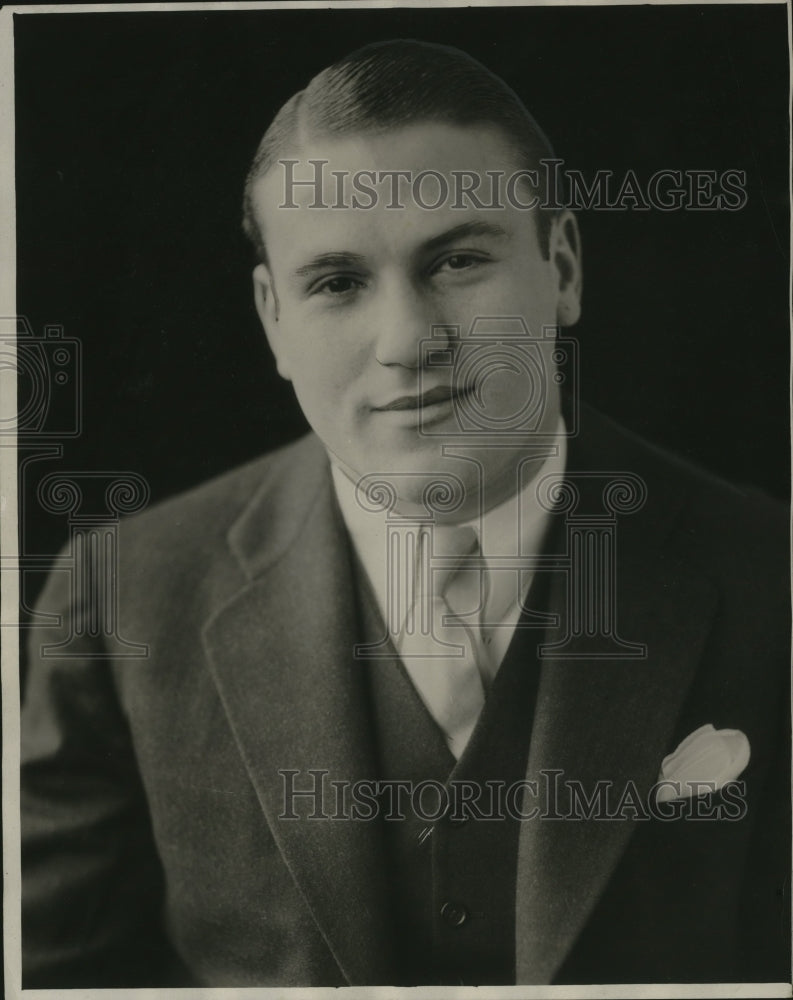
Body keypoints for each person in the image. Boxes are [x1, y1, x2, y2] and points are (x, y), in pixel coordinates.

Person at [21, 39, 789, 988]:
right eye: (337, 284)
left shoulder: (770, 577)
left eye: (458, 260)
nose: (408, 342)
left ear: (563, 267)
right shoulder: (123, 601)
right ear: (273, 321)